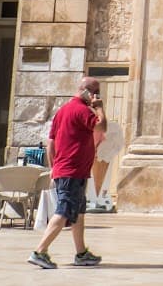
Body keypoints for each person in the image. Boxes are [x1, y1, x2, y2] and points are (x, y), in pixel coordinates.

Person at [29, 76, 106, 269]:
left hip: (69, 170)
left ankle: (81, 254)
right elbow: (102, 126)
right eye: (96, 92)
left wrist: (54, 167)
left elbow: (51, 143)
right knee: (64, 211)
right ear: (89, 93)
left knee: (78, 213)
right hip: (73, 171)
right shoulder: (81, 110)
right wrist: (99, 107)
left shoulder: (62, 111)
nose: (97, 96)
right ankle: (40, 251)